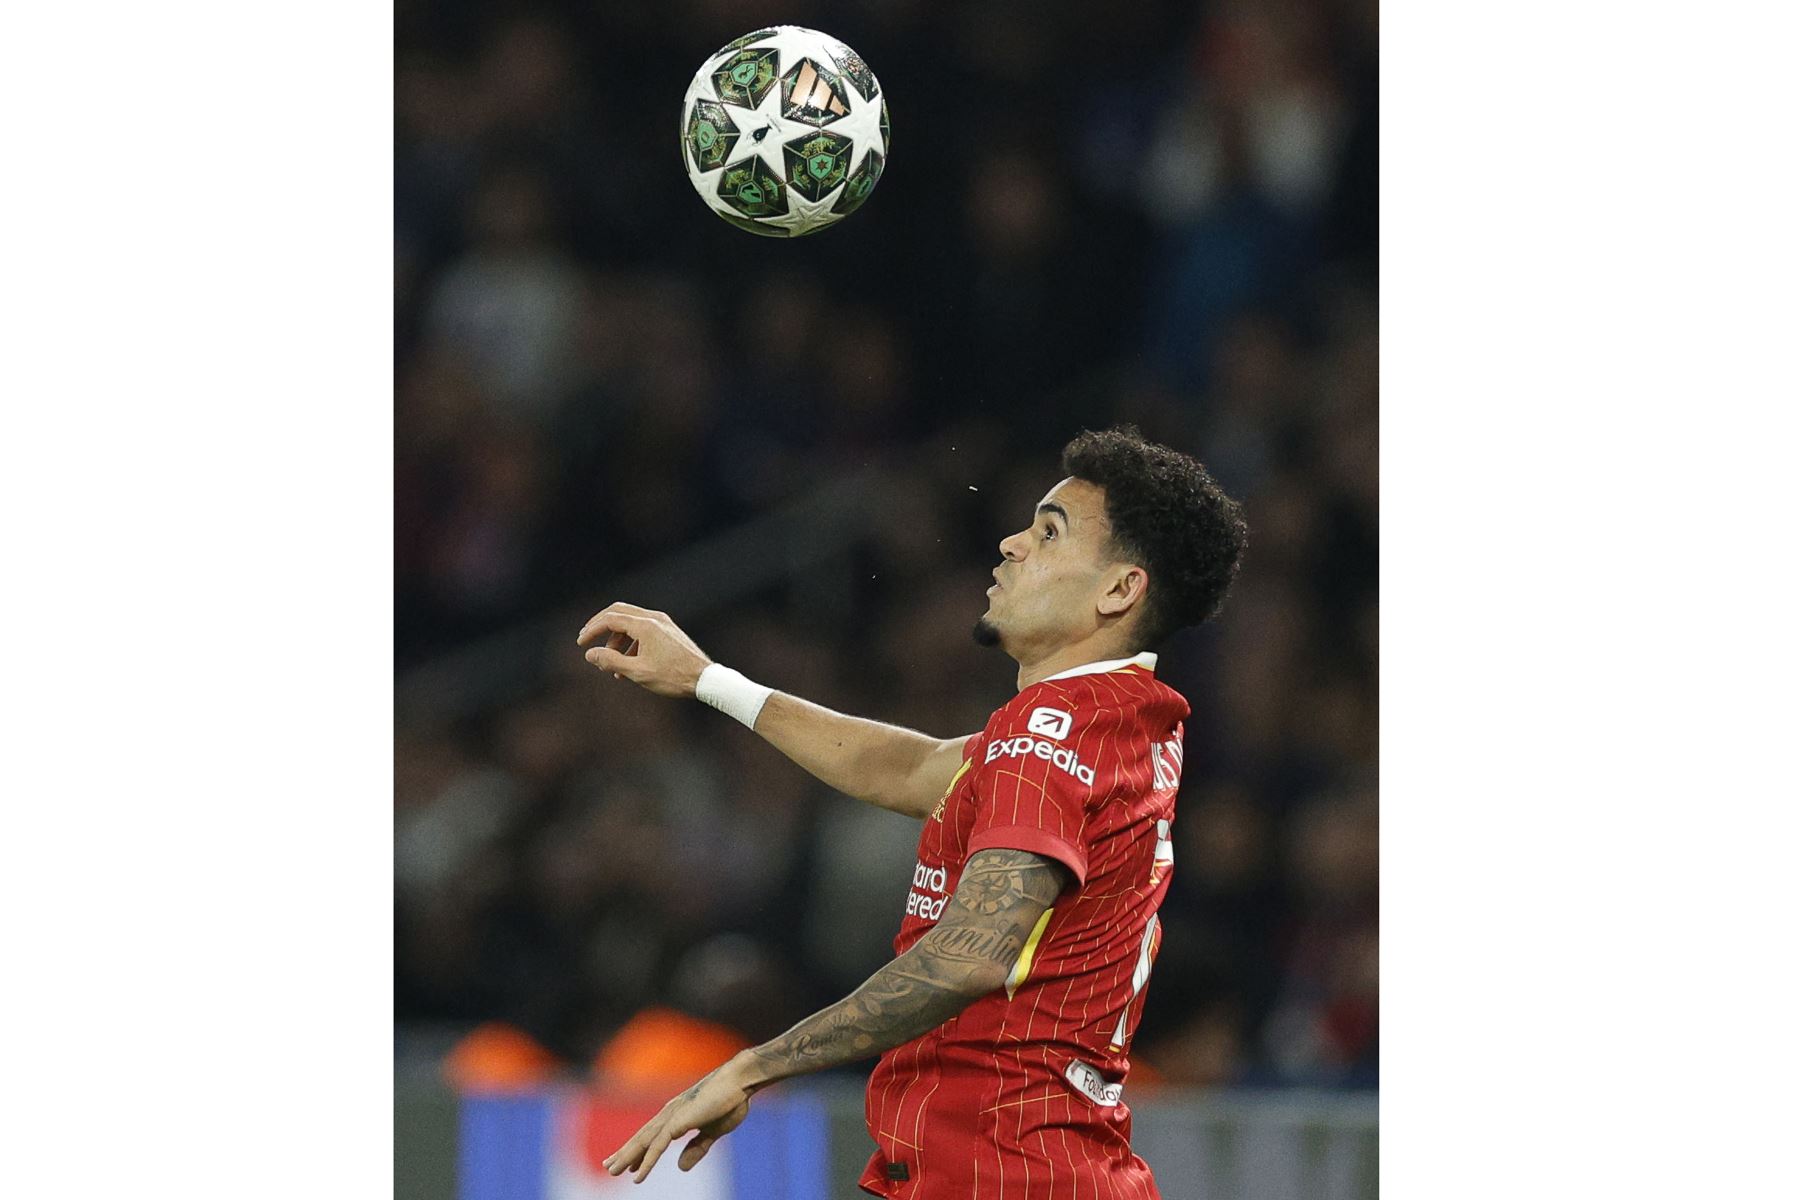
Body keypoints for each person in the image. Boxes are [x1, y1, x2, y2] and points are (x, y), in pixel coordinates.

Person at [578, 426, 1248, 1196]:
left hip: (999, 1167)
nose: (1011, 543)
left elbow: (969, 954)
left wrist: (752, 1065)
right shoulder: (1119, 720)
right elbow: (905, 764)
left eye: (1049, 532)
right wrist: (708, 679)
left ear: (1119, 590)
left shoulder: (1052, 731)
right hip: (1017, 1163)